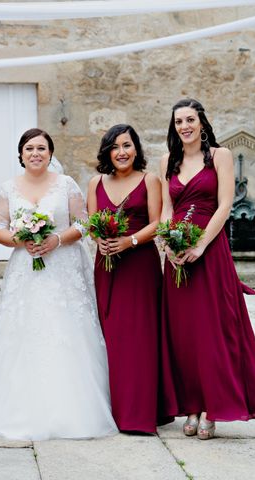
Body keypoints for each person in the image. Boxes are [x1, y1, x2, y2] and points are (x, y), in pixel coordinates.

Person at [0, 128, 117, 440]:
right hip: (26, 266)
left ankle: (74, 407)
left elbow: (83, 222)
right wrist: (20, 239)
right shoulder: (9, 187)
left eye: (41, 148)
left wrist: (56, 239)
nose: (35, 153)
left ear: (51, 154)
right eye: (29, 148)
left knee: (66, 330)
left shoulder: (65, 185)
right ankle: (18, 405)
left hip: (63, 268)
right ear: (21, 155)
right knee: (23, 329)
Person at [159, 99, 255, 439]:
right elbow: (167, 207)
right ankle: (191, 406)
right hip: (176, 252)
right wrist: (168, 244)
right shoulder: (168, 160)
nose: (185, 126)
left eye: (190, 119)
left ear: (202, 123)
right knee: (184, 334)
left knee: (212, 329)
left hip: (209, 250)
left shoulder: (220, 156)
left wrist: (200, 245)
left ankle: (212, 405)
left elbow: (225, 205)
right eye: (179, 121)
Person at [86, 124, 165, 433]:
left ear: (136, 149)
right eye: (115, 146)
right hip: (107, 266)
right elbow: (93, 223)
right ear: (108, 152)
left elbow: (158, 222)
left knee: (140, 338)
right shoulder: (96, 182)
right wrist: (101, 240)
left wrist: (129, 241)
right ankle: (115, 410)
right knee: (112, 337)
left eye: (127, 145)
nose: (121, 152)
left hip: (140, 266)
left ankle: (140, 414)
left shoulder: (150, 180)